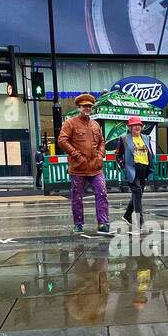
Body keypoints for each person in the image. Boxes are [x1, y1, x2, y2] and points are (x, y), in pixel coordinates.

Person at [57, 93, 109, 235]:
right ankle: (78, 224)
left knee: (102, 194)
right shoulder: (70, 123)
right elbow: (62, 140)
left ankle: (103, 223)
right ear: (79, 107)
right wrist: (76, 156)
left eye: (89, 106)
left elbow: (102, 142)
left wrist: (100, 155)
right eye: (84, 106)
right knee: (77, 197)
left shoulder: (95, 124)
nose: (87, 108)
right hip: (78, 168)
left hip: (96, 167)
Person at [116, 115, 154, 225]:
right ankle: (139, 220)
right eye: (134, 125)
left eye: (139, 125)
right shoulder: (124, 139)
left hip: (144, 169)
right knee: (137, 192)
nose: (137, 127)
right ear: (129, 127)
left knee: (138, 194)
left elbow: (150, 153)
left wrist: (151, 168)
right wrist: (124, 167)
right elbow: (118, 155)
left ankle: (127, 215)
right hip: (132, 169)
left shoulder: (146, 138)